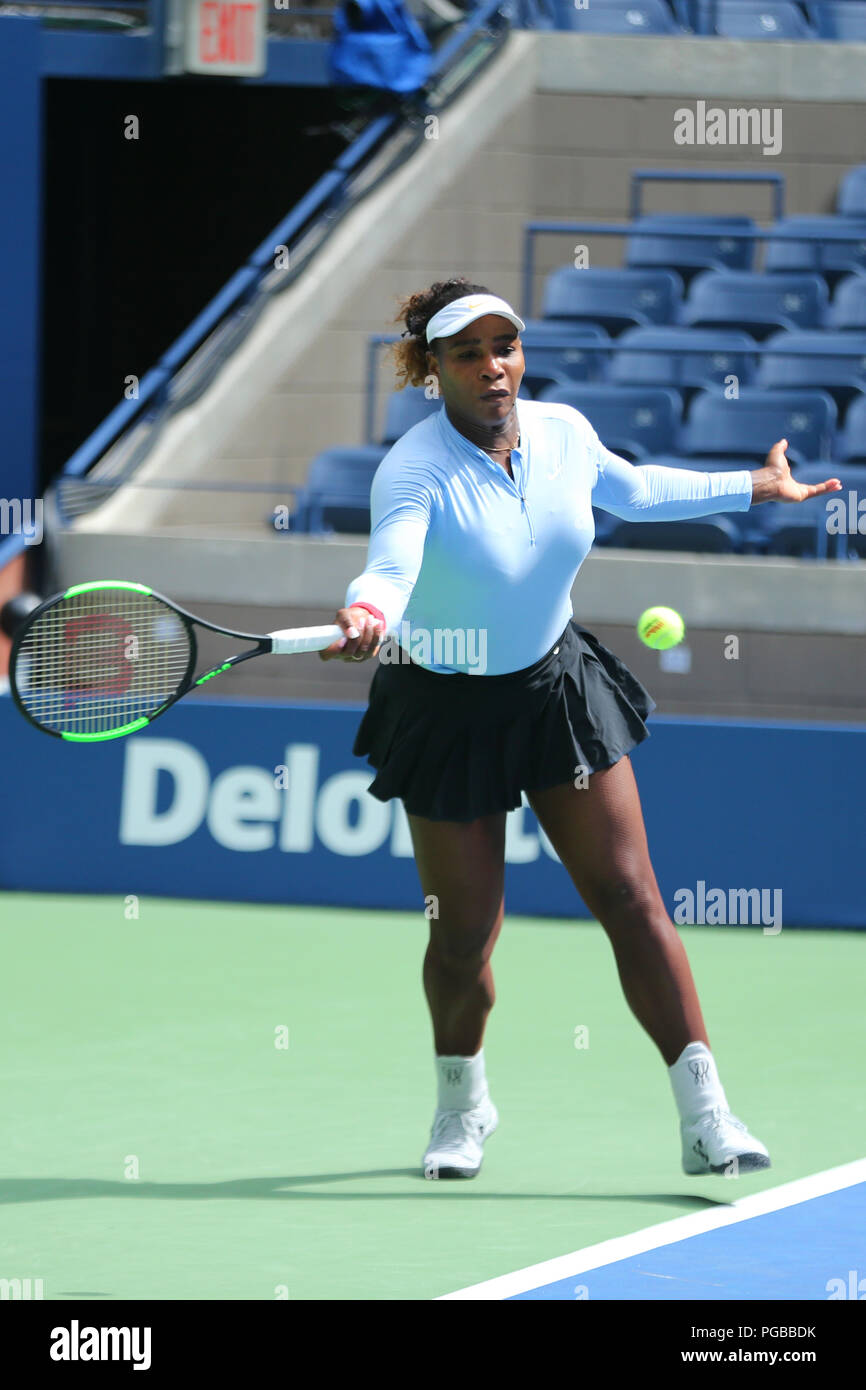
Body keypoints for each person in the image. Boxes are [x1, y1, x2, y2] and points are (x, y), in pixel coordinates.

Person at [320, 276, 842, 1180]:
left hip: (554, 687)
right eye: (468, 353)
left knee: (634, 900)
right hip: (444, 706)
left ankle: (706, 1117)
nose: (493, 368)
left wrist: (753, 487)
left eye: (504, 347)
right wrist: (368, 612)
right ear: (431, 370)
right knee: (462, 936)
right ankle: (461, 1104)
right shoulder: (412, 469)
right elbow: (391, 566)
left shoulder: (563, 433)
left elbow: (635, 492)